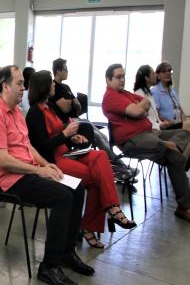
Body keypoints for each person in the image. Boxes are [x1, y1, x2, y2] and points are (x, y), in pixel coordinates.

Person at [0, 66, 91, 285]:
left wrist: (44, 164)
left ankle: (66, 252)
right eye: (19, 83)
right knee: (62, 197)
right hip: (11, 180)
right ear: (5, 86)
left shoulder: (17, 111)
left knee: (77, 188)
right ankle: (49, 266)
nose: (24, 88)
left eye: (24, 83)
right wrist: (39, 171)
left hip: (26, 171)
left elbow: (27, 146)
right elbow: (3, 160)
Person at [25, 70, 136, 248]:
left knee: (100, 156)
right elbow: (42, 146)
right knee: (95, 179)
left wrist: (72, 138)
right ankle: (94, 223)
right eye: (51, 84)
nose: (54, 85)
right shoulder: (34, 113)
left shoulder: (50, 107)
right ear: (44, 87)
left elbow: (60, 132)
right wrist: (64, 134)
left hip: (66, 151)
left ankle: (112, 208)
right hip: (53, 159)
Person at [101, 64, 190, 225]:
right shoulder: (111, 96)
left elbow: (145, 103)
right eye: (118, 77)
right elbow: (139, 111)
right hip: (132, 140)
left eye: (123, 76)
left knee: (185, 134)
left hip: (150, 134)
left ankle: (170, 148)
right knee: (173, 155)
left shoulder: (125, 94)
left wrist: (139, 110)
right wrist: (139, 111)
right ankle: (185, 208)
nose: (122, 79)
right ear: (108, 79)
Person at [146, 63, 190, 172]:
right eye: (164, 71)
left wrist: (183, 118)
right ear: (158, 75)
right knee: (189, 133)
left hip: (179, 124)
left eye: (170, 70)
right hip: (167, 126)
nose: (168, 73)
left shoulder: (171, 90)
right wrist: (171, 122)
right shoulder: (155, 91)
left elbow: (180, 109)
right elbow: (156, 114)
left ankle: (184, 168)